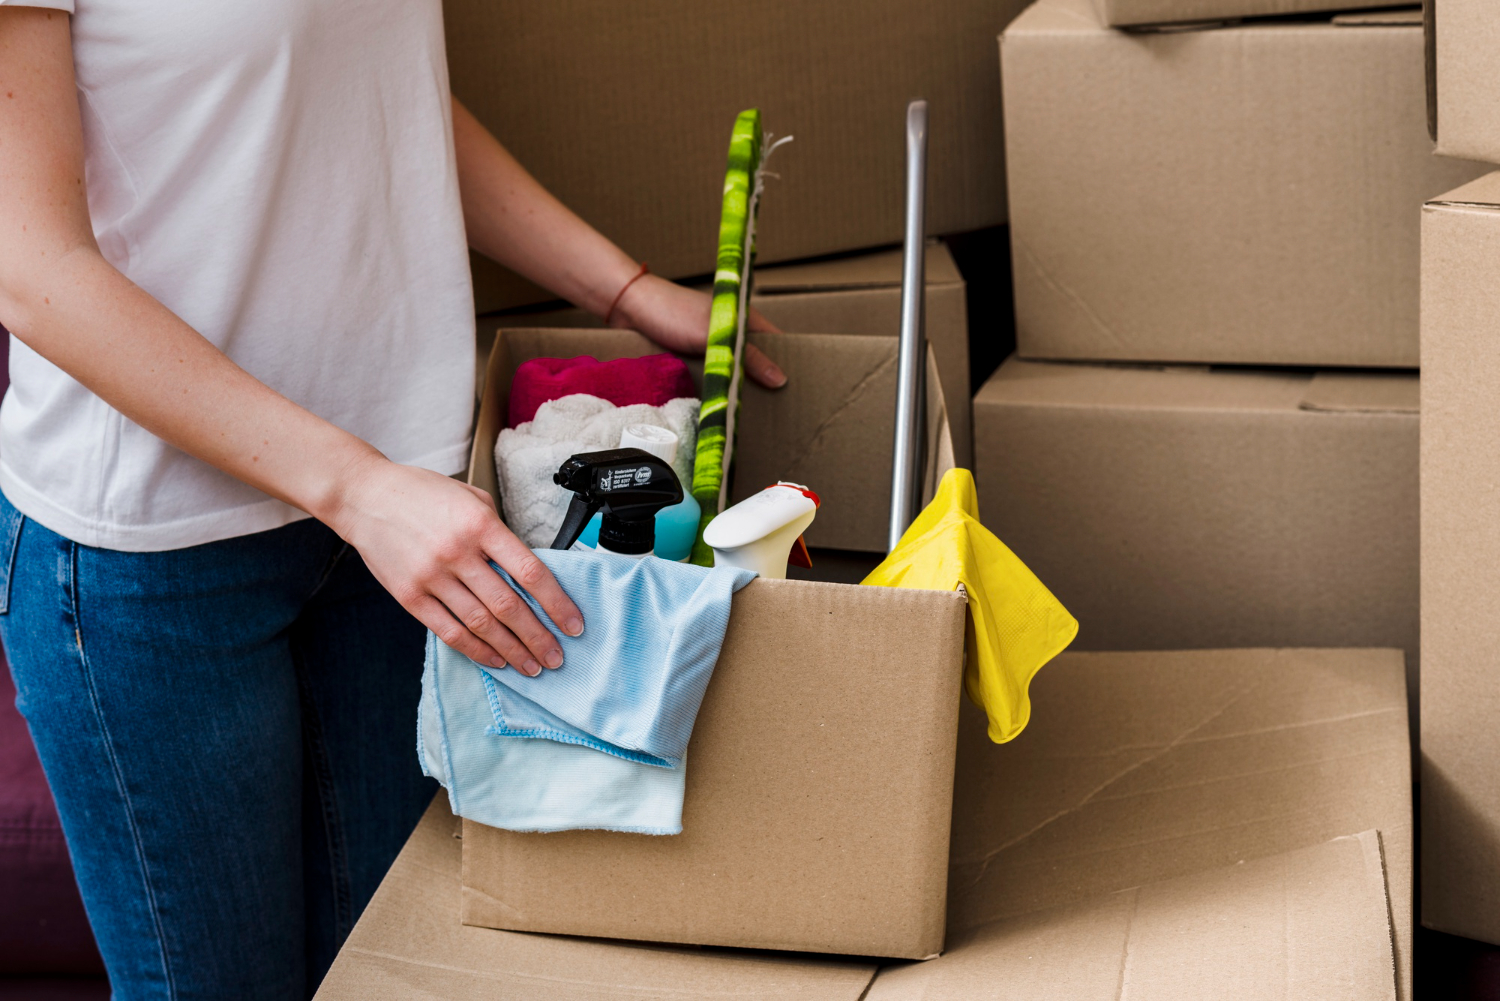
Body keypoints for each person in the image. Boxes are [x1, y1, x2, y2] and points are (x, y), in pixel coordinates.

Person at [0, 3, 785, 997]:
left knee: (386, 979)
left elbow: (379, 95)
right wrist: (357, 486)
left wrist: (625, 290)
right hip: (165, 558)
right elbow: (31, 268)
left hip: (392, 519)